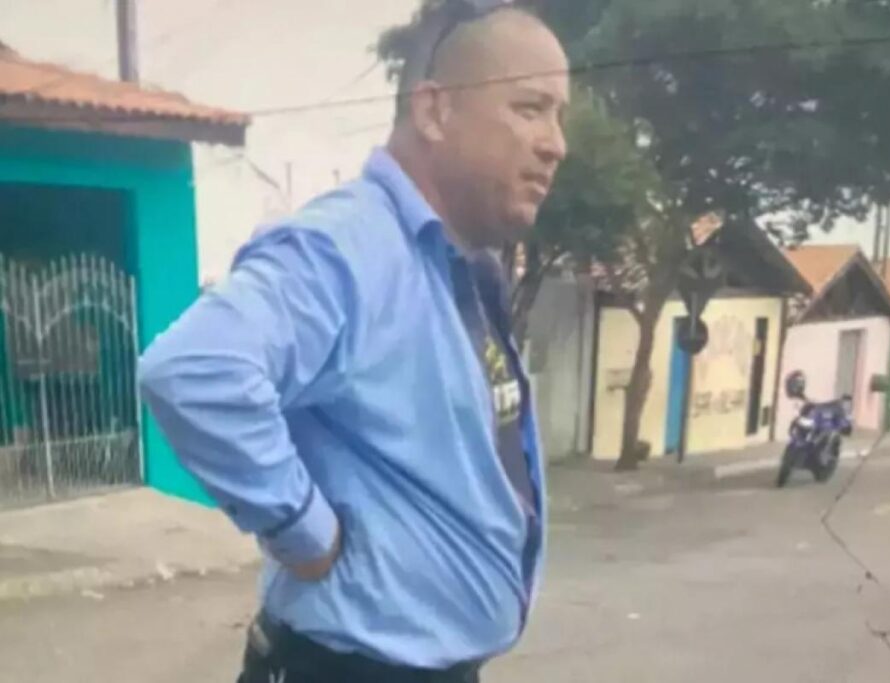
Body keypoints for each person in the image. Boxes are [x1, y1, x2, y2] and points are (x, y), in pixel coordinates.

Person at [137, 2, 569, 682]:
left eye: (559, 116)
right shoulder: (349, 246)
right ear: (434, 111)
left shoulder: (456, 267)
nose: (555, 144)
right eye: (530, 108)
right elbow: (194, 370)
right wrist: (302, 531)